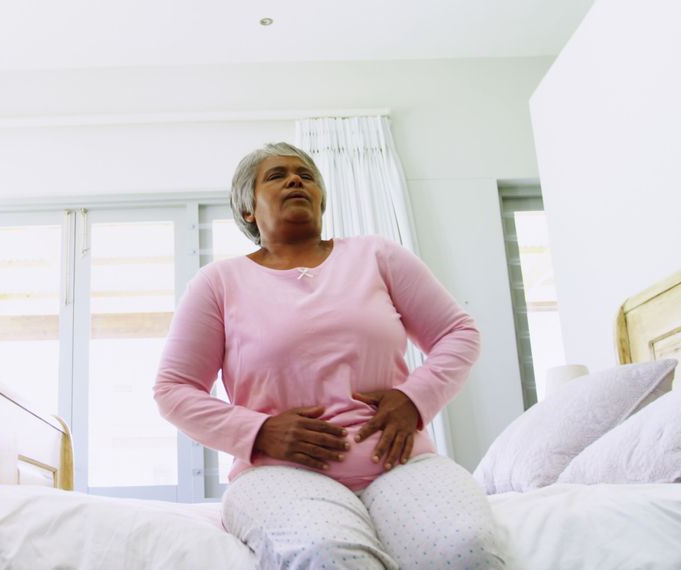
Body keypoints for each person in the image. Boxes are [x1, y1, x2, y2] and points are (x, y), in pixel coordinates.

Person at [153, 142, 506, 569]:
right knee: (325, 555)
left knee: (465, 546)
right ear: (248, 210)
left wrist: (414, 398)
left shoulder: (376, 255)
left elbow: (458, 332)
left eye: (305, 175)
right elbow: (173, 389)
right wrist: (259, 431)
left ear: (321, 198)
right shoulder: (218, 282)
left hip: (399, 461)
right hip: (278, 473)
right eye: (277, 175)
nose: (296, 179)